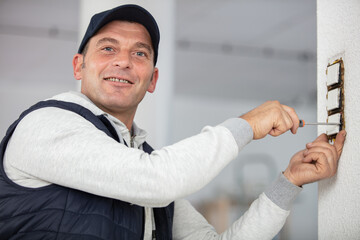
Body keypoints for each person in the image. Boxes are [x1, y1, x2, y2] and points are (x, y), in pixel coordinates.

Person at [0, 4, 345, 240]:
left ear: (152, 79)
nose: (123, 61)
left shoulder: (142, 165)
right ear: (79, 66)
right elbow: (159, 179)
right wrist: (247, 125)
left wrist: (289, 182)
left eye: (139, 53)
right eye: (107, 48)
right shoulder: (45, 124)